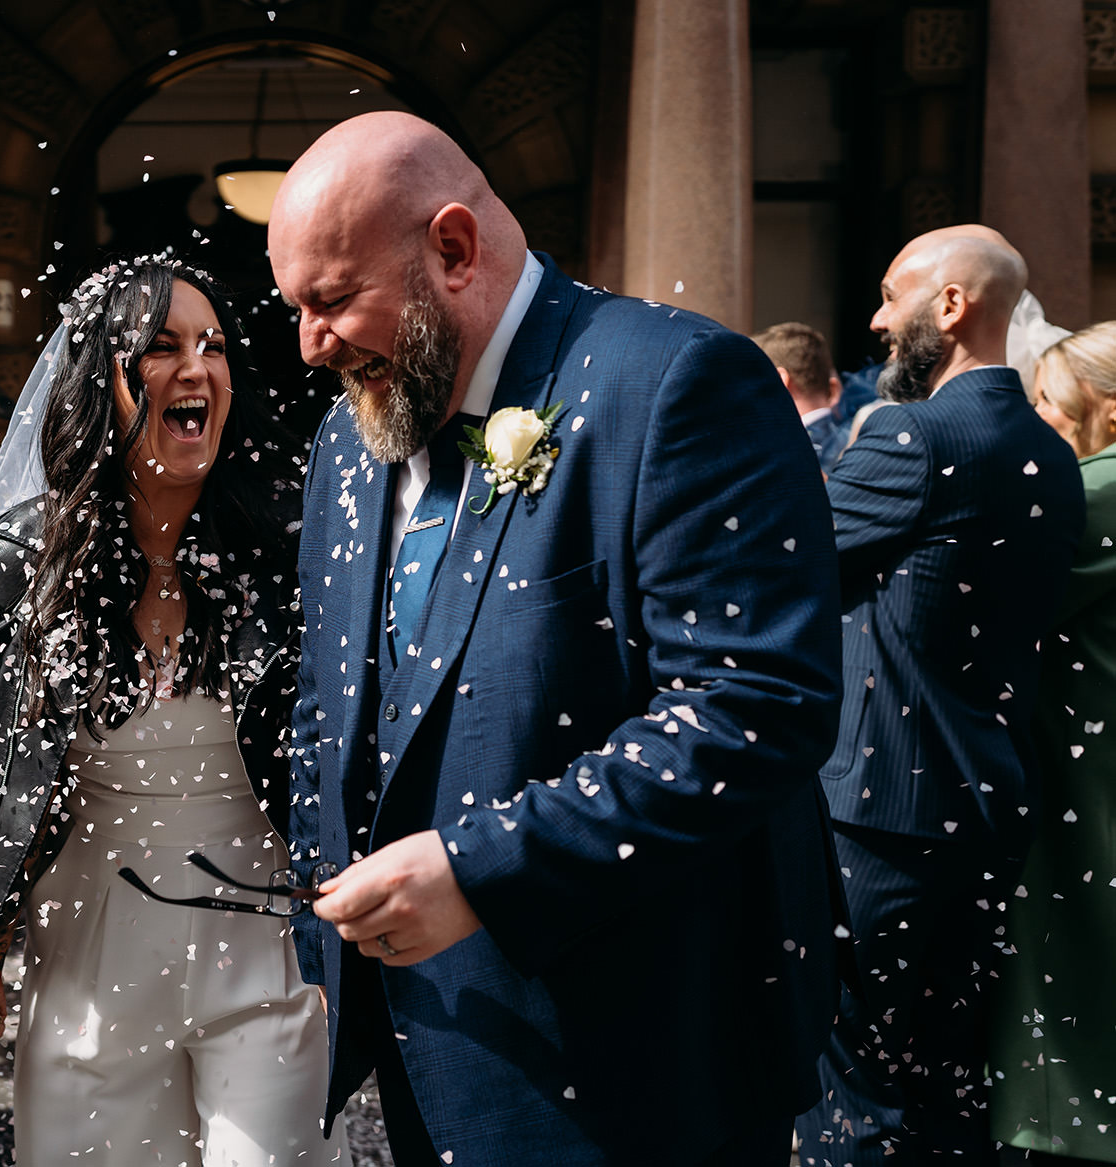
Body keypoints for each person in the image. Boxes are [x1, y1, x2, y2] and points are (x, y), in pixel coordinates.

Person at [268, 111, 845, 1165]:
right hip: (424, 1045)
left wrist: (485, 872)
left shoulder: (672, 382)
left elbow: (754, 707)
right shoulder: (346, 445)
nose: (309, 344)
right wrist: (325, 915)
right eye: (295, 307)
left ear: (452, 248)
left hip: (639, 1055)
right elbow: (327, 701)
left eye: (333, 299)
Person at [0, 257, 351, 1166]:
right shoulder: (24, 559)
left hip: (267, 936)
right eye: (160, 349)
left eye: (214, 348)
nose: (196, 370)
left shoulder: (291, 542)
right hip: (86, 943)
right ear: (100, 378)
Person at [797, 227, 1086, 1165]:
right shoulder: (1048, 452)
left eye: (893, 294)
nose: (878, 318)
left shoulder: (917, 440)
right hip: (989, 812)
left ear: (951, 306)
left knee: (857, 1097)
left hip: (879, 823)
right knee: (947, 1088)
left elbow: (777, 563)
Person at [988, 322, 1116, 1163]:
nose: (1037, 419)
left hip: (1086, 772)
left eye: (1049, 401)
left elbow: (996, 594)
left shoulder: (1096, 491)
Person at [752, 321, 847, 470]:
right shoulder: (857, 439)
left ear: (779, 380)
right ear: (834, 389)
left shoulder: (777, 453)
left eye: (750, 382)